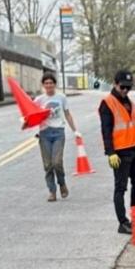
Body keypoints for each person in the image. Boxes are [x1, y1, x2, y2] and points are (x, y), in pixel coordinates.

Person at [99, 69, 135, 235]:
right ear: (115, 84)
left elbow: (133, 129)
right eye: (122, 87)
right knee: (120, 188)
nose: (125, 90)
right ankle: (123, 222)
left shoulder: (130, 103)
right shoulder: (107, 103)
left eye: (128, 87)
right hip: (120, 153)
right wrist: (110, 152)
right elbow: (106, 131)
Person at [32, 71, 79, 202]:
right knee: (48, 165)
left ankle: (62, 183)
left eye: (51, 83)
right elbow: (31, 114)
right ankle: (52, 191)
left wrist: (75, 130)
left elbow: (67, 114)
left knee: (57, 162)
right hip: (45, 133)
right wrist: (26, 122)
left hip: (58, 132)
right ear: (43, 85)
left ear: (54, 84)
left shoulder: (61, 97)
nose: (49, 85)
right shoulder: (39, 100)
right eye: (46, 83)